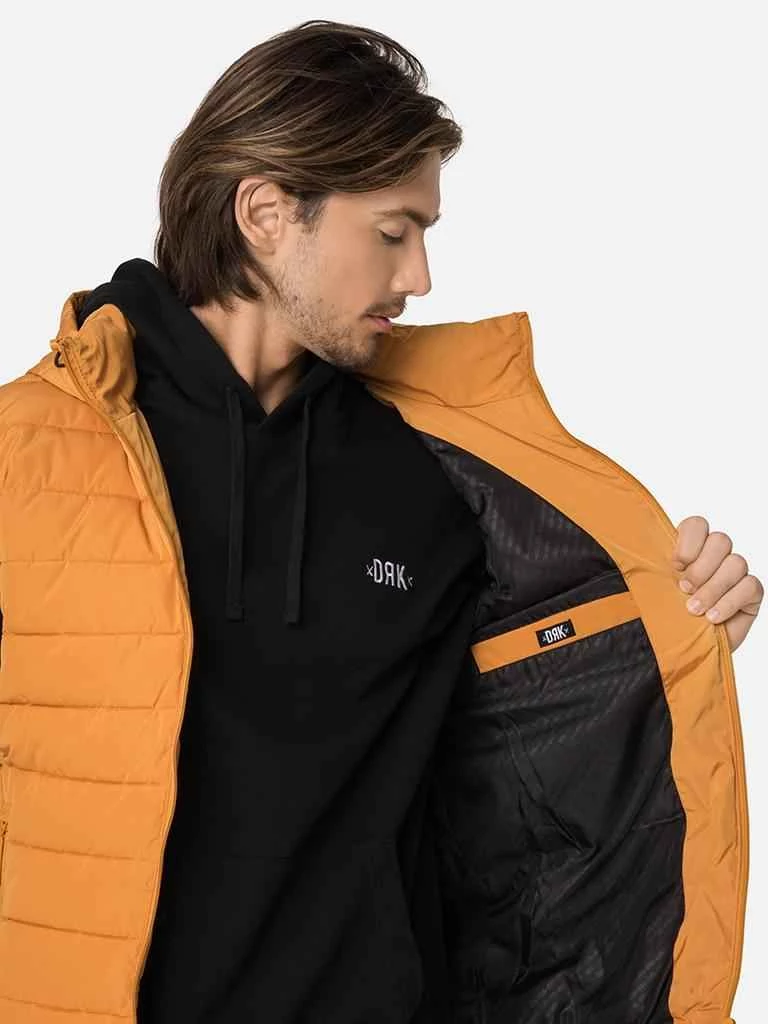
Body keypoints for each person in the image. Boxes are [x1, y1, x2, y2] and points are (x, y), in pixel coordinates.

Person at [0, 18, 762, 1024]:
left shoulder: (438, 476)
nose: (419, 278)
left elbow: (524, 745)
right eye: (394, 232)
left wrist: (669, 628)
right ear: (266, 213)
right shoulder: (27, 459)